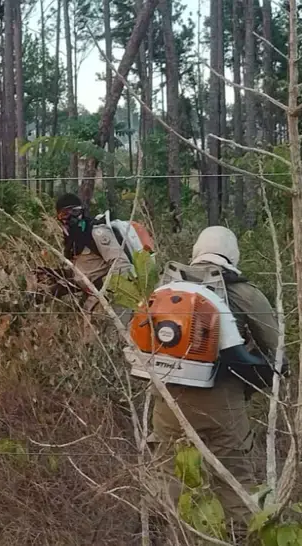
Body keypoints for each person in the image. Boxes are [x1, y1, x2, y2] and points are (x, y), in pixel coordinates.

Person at [146, 226, 280, 539]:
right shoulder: (245, 293)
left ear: (195, 250)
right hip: (223, 404)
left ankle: (162, 535)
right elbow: (276, 349)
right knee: (235, 479)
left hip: (168, 400)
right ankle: (243, 537)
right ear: (233, 255)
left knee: (169, 477)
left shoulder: (167, 286)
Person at [47, 193, 134, 317]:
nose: (71, 217)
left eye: (75, 212)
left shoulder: (97, 232)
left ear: (82, 211)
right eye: (65, 214)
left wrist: (112, 295)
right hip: (91, 296)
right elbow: (83, 269)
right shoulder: (72, 240)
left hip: (106, 298)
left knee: (104, 334)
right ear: (59, 217)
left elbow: (121, 265)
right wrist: (57, 277)